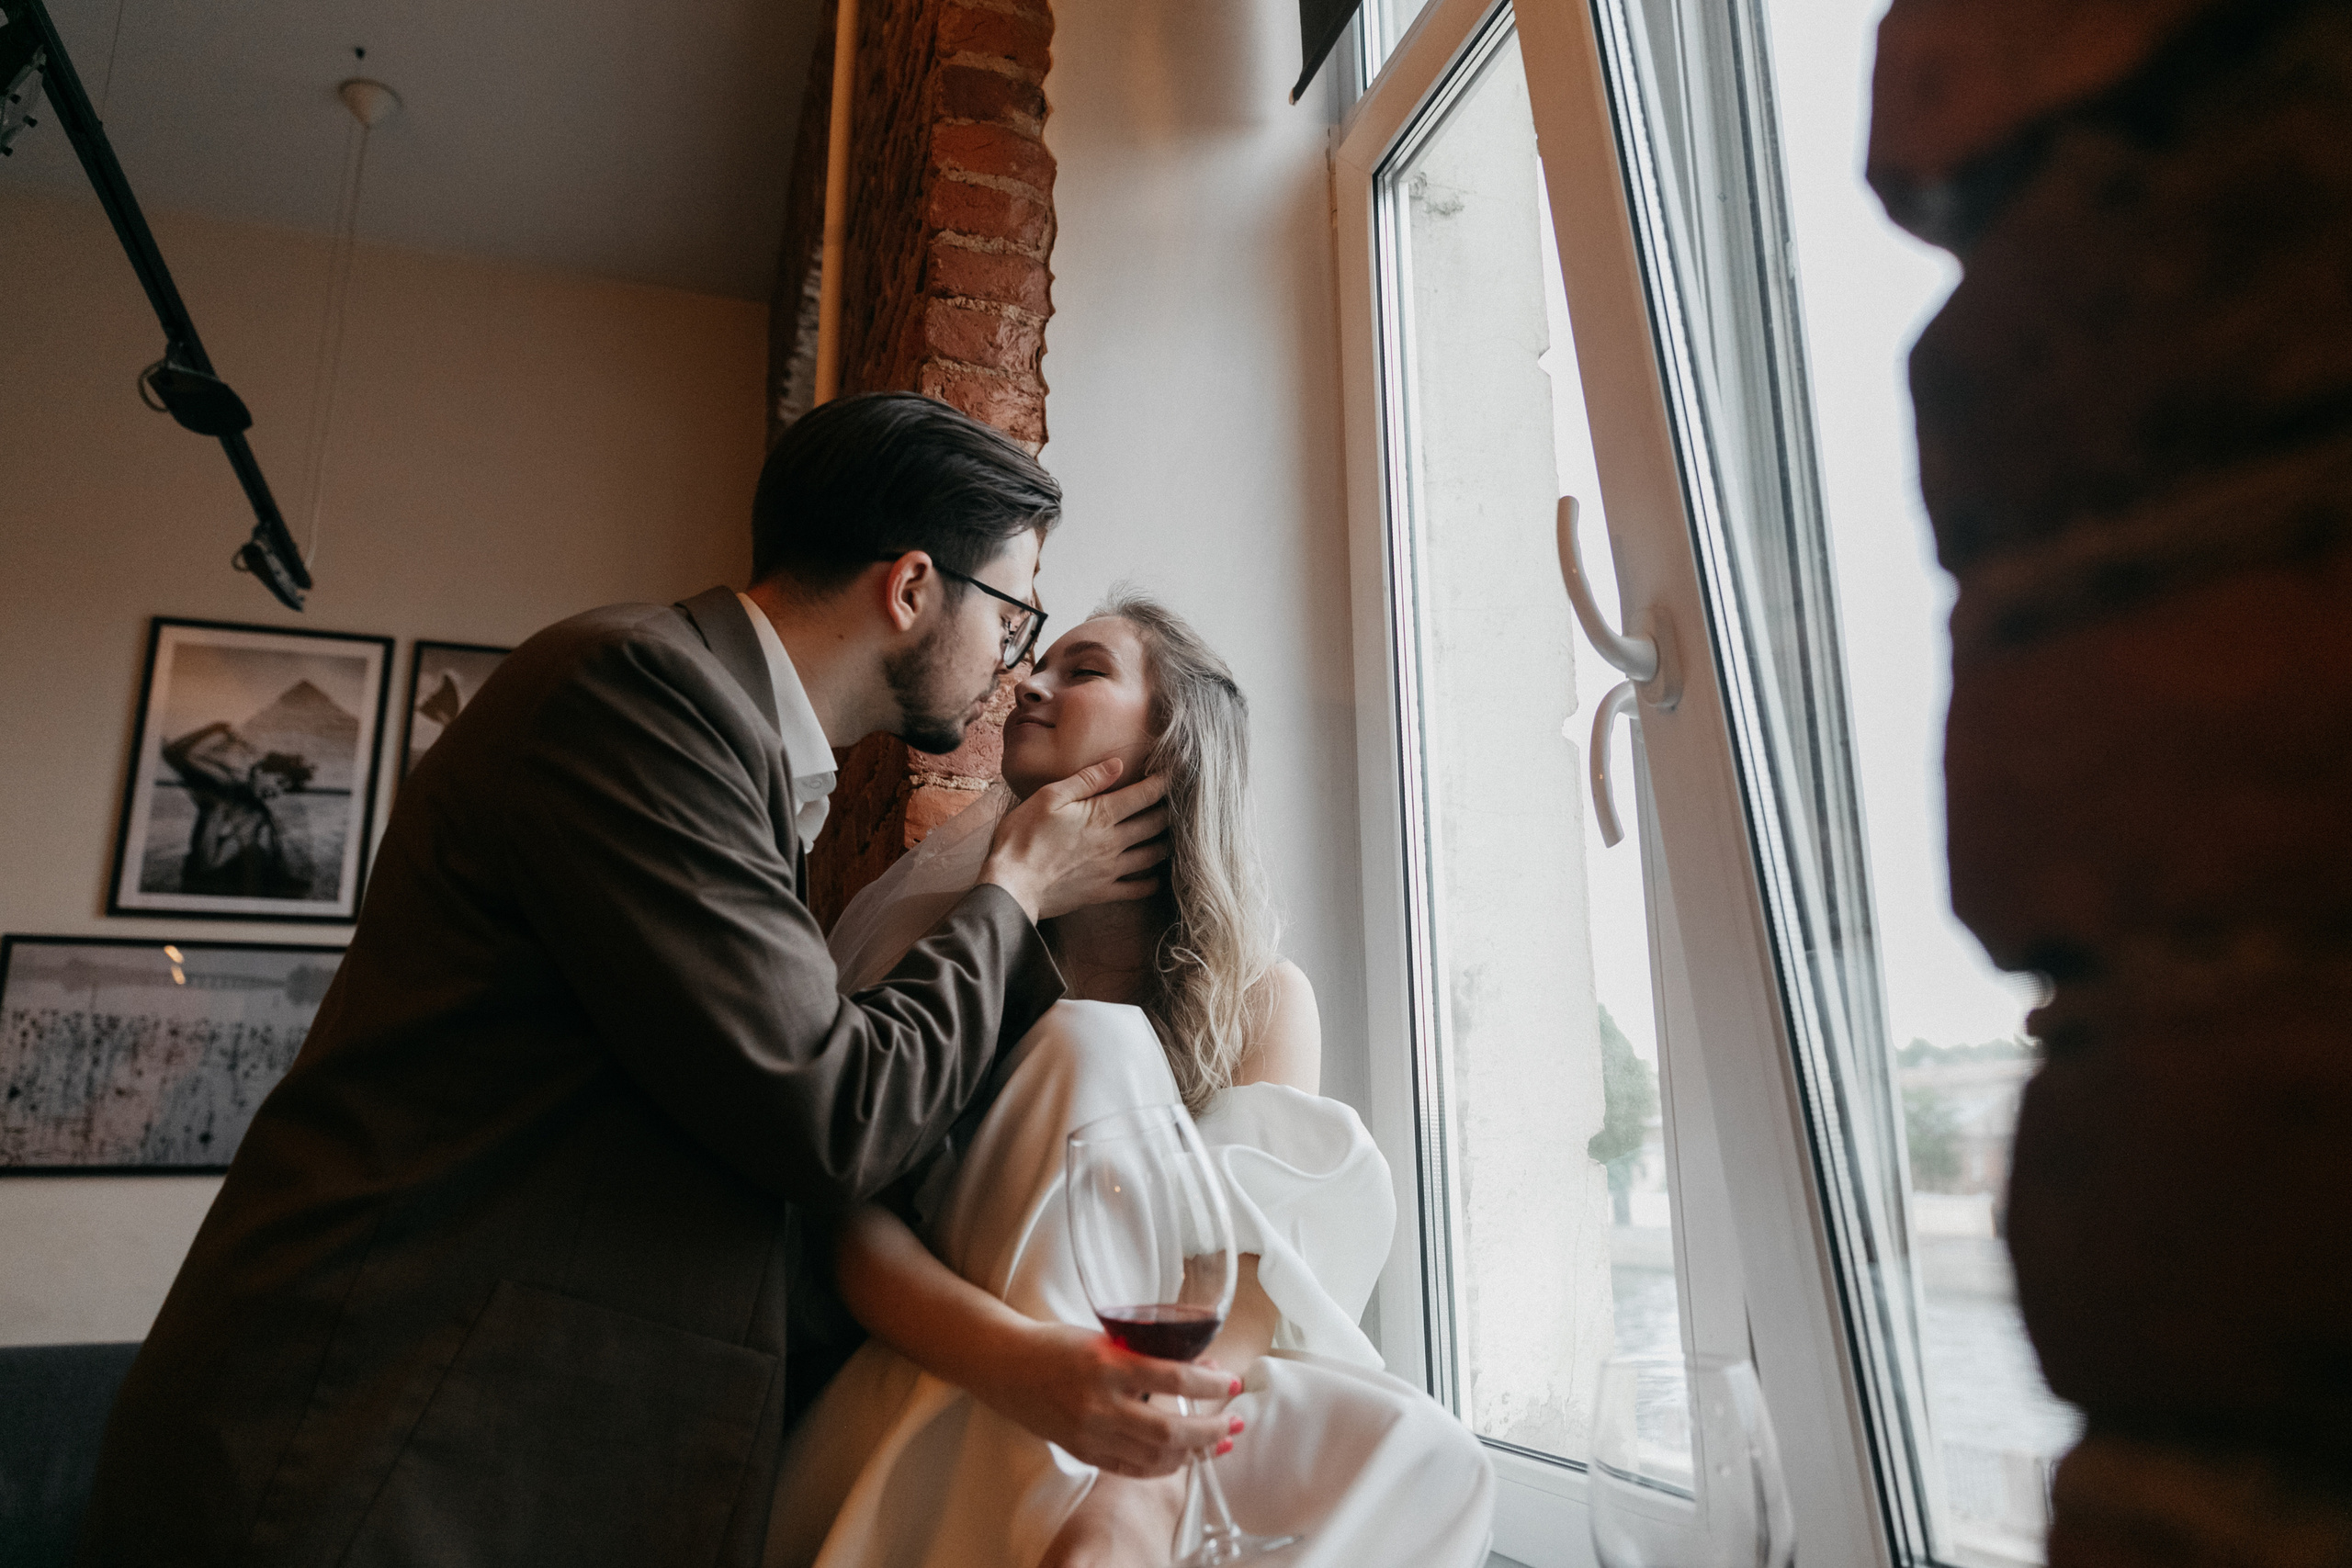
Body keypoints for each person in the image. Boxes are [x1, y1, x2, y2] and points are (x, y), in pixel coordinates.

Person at [79, 394, 1238, 1568]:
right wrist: (1014, 893)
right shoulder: (636, 695)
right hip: (368, 1446)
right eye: (1013, 611)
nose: (1010, 664)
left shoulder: (723, 743)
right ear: (910, 588)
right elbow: (830, 1115)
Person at [766, 593, 1496, 1568]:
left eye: (1085, 669)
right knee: (1091, 1048)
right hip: (960, 1364)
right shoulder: (939, 943)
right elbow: (845, 1232)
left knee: (1430, 1454)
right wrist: (1030, 1371)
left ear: (1172, 740)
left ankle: (1117, 1516)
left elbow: (1244, 1278)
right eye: (1042, 663)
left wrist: (1135, 1473)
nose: (1029, 683)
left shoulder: (1261, 999)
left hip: (1146, 1416)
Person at [160, 721, 314, 897]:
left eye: (283, 790)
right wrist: (214, 729)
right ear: (262, 770)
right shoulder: (232, 788)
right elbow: (180, 754)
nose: (276, 792)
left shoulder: (248, 804)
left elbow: (177, 754)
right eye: (279, 782)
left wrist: (214, 729)